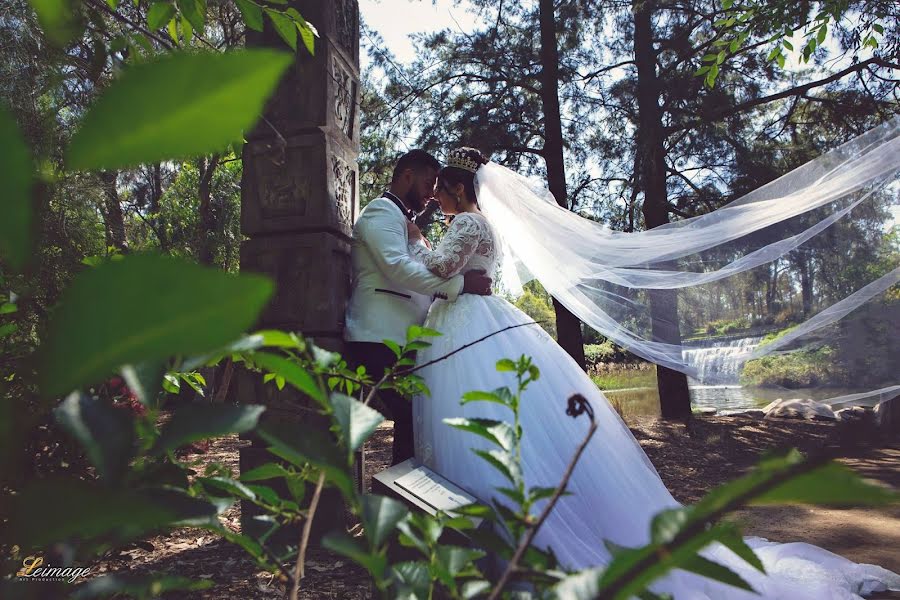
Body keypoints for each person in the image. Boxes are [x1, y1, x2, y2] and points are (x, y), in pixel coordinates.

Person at [405, 146, 900, 598]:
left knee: (474, 421)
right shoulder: (483, 226)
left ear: (459, 190)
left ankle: (494, 543)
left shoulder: (467, 225)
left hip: (468, 324)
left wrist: (412, 240)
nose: (436, 200)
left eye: (441, 192)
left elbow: (443, 269)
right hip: (484, 321)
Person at [344, 149, 492, 465]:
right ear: (407, 176)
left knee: (422, 418)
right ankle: (400, 501)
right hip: (378, 337)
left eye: (438, 186)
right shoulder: (381, 212)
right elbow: (397, 266)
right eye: (428, 184)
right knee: (413, 416)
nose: (432, 194)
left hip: (405, 341)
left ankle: (411, 499)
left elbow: (428, 269)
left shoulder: (410, 225)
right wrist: (460, 286)